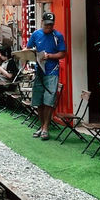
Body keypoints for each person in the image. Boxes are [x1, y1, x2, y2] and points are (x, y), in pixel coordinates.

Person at [28, 12, 67, 141]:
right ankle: (41, 125)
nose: (48, 27)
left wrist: (49, 56)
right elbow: (28, 50)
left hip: (52, 71)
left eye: (51, 25)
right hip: (39, 70)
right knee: (38, 100)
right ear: (42, 23)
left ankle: (45, 128)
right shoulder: (36, 34)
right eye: (46, 25)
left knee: (49, 100)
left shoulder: (58, 36)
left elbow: (62, 53)